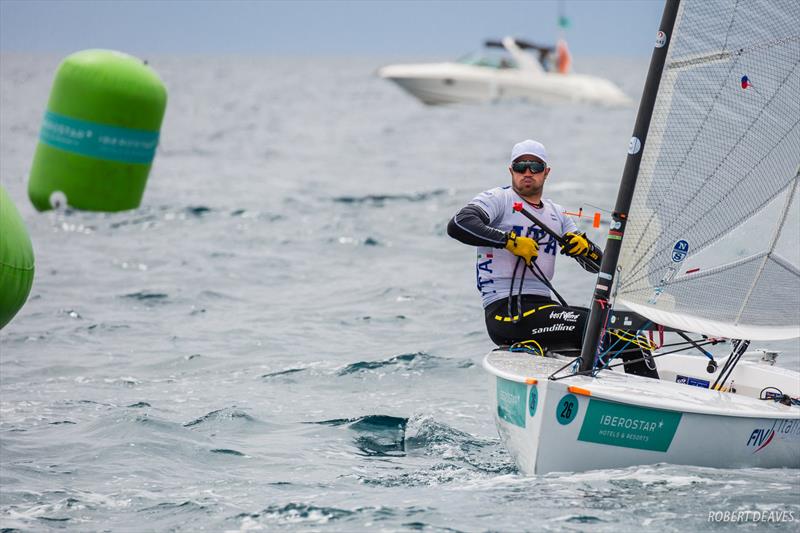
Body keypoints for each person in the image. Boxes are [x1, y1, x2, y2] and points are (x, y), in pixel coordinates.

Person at [447, 140, 658, 377]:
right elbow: (458, 224)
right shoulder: (499, 199)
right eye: (520, 166)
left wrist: (586, 249)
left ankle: (642, 398)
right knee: (600, 330)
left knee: (625, 333)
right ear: (511, 171)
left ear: (546, 172)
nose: (527, 173)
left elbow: (601, 266)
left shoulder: (557, 214)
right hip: (506, 313)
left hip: (544, 308)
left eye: (535, 167)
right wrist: (510, 241)